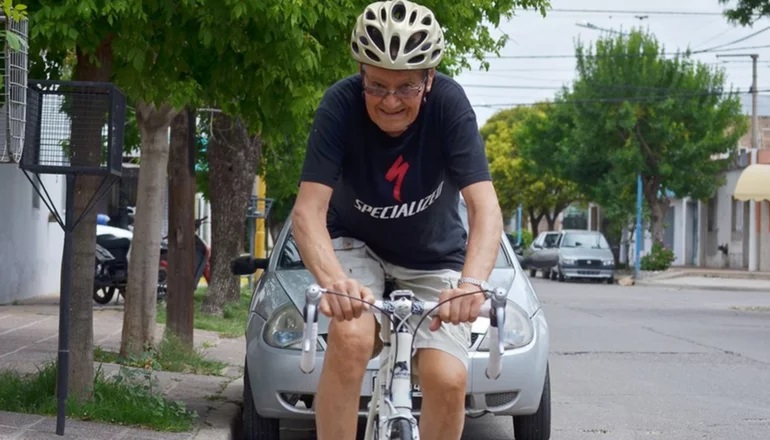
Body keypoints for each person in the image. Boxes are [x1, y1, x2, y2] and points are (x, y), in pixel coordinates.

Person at [291, 1, 503, 438]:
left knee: (447, 378)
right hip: (355, 245)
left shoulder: (449, 104)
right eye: (376, 86)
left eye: (406, 87)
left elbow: (485, 208)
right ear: (360, 73)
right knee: (350, 339)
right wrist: (335, 281)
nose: (390, 101)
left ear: (429, 80)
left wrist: (472, 285)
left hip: (433, 255)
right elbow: (308, 211)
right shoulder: (339, 105)